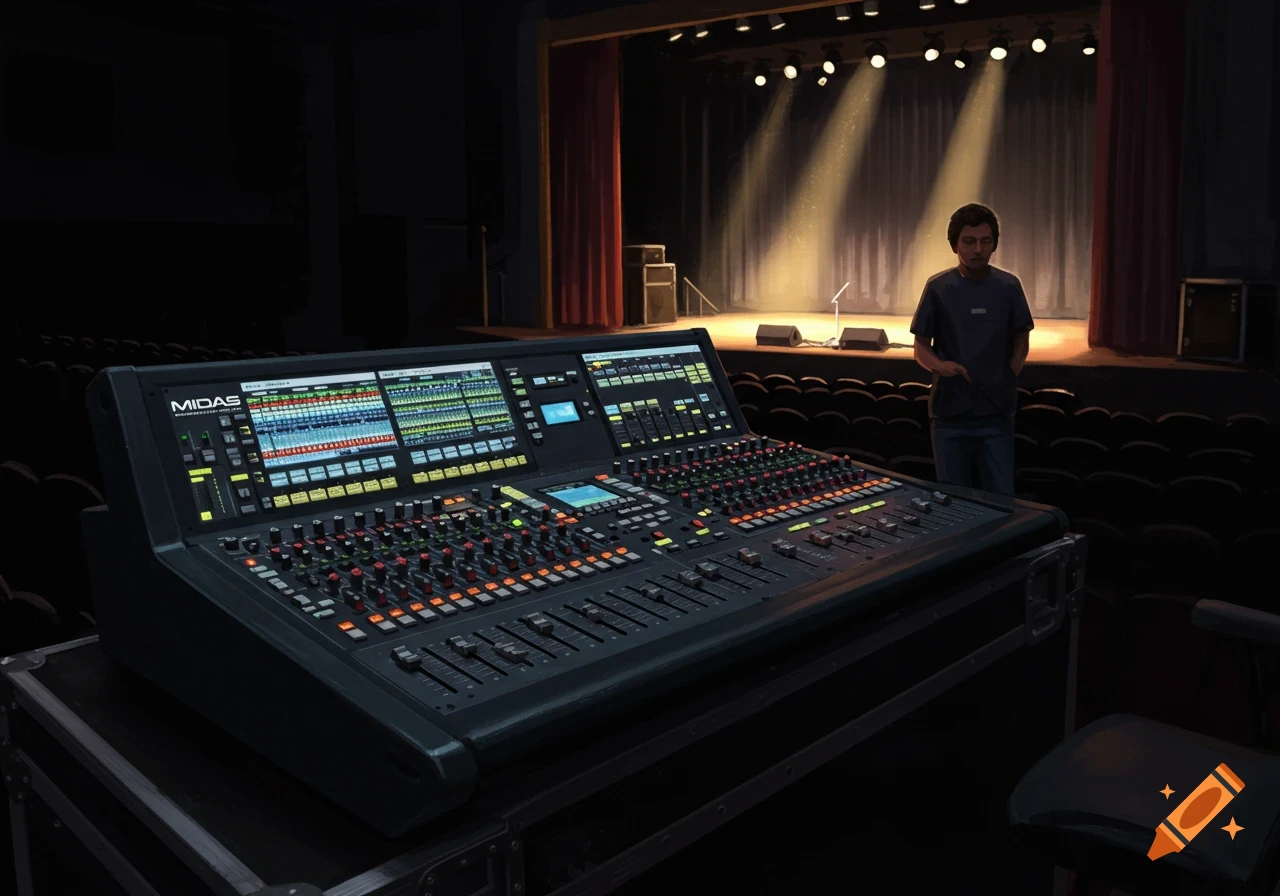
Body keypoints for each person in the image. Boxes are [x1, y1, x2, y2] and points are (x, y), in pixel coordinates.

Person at [908, 203, 1033, 496]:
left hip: (996, 414)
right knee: (953, 501)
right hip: (949, 416)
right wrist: (940, 367)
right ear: (955, 245)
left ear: (994, 244)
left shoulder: (1009, 286)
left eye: (985, 241)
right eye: (969, 241)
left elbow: (1022, 339)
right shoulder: (938, 287)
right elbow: (920, 347)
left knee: (1000, 500)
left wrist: (1007, 377)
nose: (978, 249)